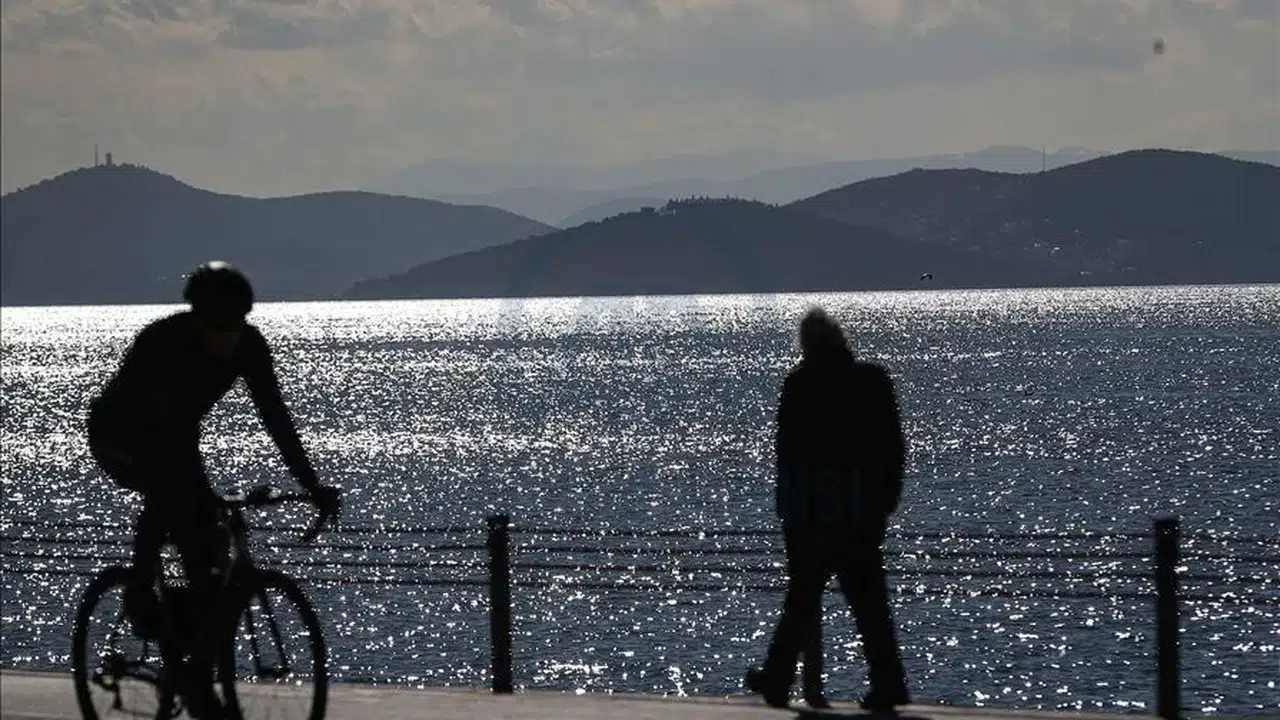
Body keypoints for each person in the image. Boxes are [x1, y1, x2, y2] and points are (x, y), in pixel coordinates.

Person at [87, 261, 340, 718]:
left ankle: (191, 660)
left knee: (206, 558)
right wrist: (194, 503)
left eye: (236, 325)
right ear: (196, 318)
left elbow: (276, 418)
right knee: (170, 493)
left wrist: (312, 484)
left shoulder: (249, 346)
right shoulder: (163, 343)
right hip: (120, 436)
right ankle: (141, 591)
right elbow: (165, 441)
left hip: (176, 440)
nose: (226, 336)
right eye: (216, 326)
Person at [748, 308, 910, 711]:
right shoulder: (871, 381)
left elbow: (786, 455)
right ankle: (888, 683)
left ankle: (778, 679)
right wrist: (886, 498)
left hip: (811, 513)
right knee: (870, 603)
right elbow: (892, 446)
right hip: (859, 508)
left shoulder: (799, 385)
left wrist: (787, 509)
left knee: (802, 600)